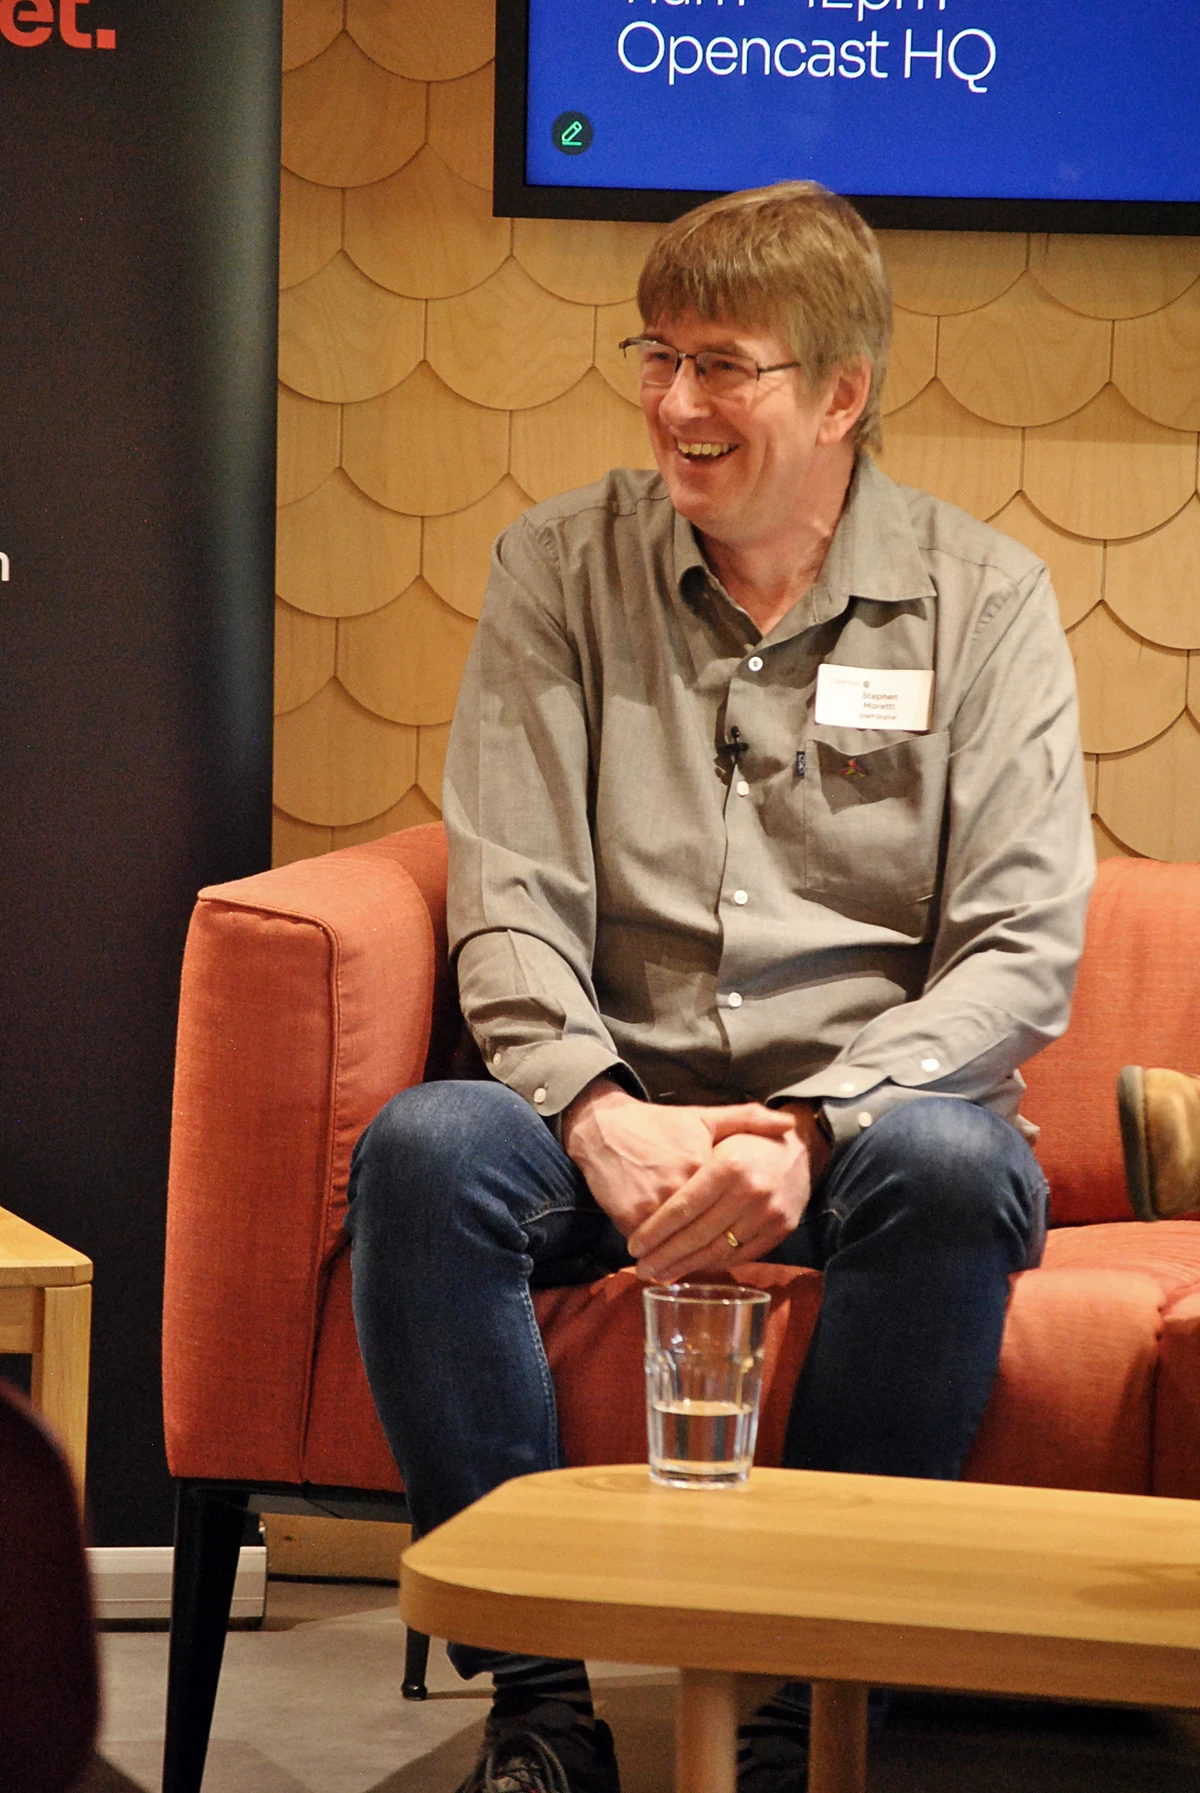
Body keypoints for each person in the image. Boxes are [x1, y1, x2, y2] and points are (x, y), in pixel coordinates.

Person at [345, 181, 1095, 1793]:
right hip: (618, 1120)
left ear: (841, 392)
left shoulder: (987, 602)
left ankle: (804, 1708)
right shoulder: (561, 568)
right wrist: (594, 1111)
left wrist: (812, 1132)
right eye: (658, 355)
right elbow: (513, 893)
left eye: (727, 366)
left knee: (960, 1166)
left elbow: (1022, 949)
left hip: (865, 1145)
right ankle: (541, 1713)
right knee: (427, 1152)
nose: (678, 405)